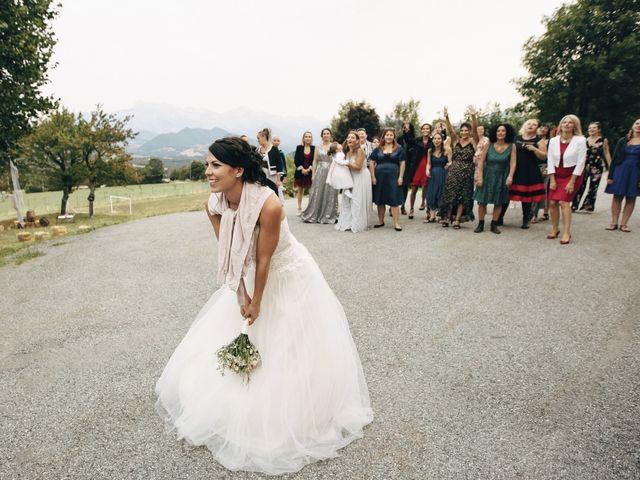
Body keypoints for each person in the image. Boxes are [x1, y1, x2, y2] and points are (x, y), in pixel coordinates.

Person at [155, 137, 373, 475]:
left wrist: (256, 302)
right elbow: (228, 250)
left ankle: (299, 407)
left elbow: (265, 257)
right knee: (239, 333)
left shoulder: (269, 205)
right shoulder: (214, 204)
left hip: (287, 273)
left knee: (289, 341)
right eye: (208, 164)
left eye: (216, 165)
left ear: (238, 170)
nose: (208, 171)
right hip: (248, 271)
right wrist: (241, 294)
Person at [546, 114, 587, 244]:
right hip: (556, 174)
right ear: (560, 125)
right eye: (564, 122)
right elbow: (550, 160)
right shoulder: (553, 141)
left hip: (573, 174)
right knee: (552, 202)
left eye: (570, 122)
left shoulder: (580, 140)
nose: (567, 124)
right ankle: (555, 228)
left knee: (564, 202)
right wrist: (552, 179)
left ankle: (566, 232)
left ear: (575, 126)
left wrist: (572, 182)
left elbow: (581, 162)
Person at [439, 106, 479, 229]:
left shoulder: (473, 141)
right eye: (462, 130)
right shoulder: (456, 141)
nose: (464, 132)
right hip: (454, 171)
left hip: (467, 171)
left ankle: (457, 220)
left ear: (470, 131)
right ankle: (447, 218)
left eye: (466, 130)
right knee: (451, 195)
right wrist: (446, 117)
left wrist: (473, 116)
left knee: (463, 196)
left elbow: (476, 131)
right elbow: (450, 130)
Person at [473, 124, 517, 234]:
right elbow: (481, 161)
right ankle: (481, 224)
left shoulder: (512, 146)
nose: (501, 133)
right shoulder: (489, 144)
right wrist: (480, 176)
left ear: (507, 133)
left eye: (503, 131)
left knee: (499, 202)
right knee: (482, 201)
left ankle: (494, 224)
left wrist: (510, 176)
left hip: (502, 176)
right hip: (487, 175)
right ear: (495, 133)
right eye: (498, 131)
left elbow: (513, 163)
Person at [504, 119, 548, 229]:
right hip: (515, 169)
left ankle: (526, 220)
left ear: (537, 128)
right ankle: (499, 217)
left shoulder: (539, 141)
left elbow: (544, 156)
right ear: (525, 125)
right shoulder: (516, 139)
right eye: (529, 124)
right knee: (507, 194)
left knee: (527, 197)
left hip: (530, 171)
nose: (531, 126)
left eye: (534, 125)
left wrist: (534, 149)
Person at [605, 118, 640, 232]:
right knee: (617, 196)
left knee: (631, 197)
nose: (639, 125)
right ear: (633, 125)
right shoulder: (622, 141)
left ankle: (624, 224)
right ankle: (614, 222)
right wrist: (610, 175)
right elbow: (614, 159)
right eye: (637, 123)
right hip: (620, 171)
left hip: (636, 172)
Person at [335, 130, 373, 233]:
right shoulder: (347, 152)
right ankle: (347, 222)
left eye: (352, 138)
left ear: (357, 141)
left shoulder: (360, 151)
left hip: (360, 176)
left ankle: (357, 223)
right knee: (347, 199)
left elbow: (358, 167)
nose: (349, 139)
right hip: (350, 176)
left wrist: (346, 163)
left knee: (357, 199)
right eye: (348, 137)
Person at [370, 127, 406, 231]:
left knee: (394, 199)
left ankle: (396, 223)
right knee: (380, 200)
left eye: (391, 135)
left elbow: (402, 163)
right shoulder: (378, 149)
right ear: (384, 136)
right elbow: (372, 162)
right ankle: (381, 221)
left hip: (393, 177)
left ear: (394, 136)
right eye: (387, 135)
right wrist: (373, 176)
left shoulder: (399, 148)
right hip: (379, 177)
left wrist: (401, 177)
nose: (389, 137)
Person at [301, 128, 339, 224]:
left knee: (330, 192)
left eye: (327, 133)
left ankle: (328, 215)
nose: (326, 135)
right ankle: (315, 214)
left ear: (330, 135)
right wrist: (313, 174)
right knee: (317, 192)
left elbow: (338, 159)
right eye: (324, 133)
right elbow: (314, 161)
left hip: (331, 171)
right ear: (322, 136)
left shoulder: (334, 146)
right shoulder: (318, 146)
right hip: (320, 171)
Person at [572, 122, 612, 212]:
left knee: (593, 186)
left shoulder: (603, 140)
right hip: (584, 165)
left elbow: (606, 153)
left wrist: (611, 167)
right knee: (580, 185)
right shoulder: (584, 140)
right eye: (590, 128)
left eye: (594, 128)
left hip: (597, 165)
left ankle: (588, 206)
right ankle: (574, 205)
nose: (591, 129)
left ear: (598, 129)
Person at [407, 123, 433, 218]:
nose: (425, 130)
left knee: (426, 188)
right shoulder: (417, 140)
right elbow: (408, 140)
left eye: (427, 128)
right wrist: (407, 130)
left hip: (428, 166)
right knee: (413, 189)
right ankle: (411, 209)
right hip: (417, 166)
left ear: (430, 130)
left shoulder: (432, 141)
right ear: (421, 130)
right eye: (424, 128)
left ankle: (427, 209)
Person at [424, 132, 451, 223]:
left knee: (441, 193)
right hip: (433, 174)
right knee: (431, 193)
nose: (436, 140)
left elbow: (451, 162)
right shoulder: (430, 150)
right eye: (435, 138)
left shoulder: (447, 150)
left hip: (443, 174)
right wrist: (427, 170)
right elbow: (428, 163)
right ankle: (432, 216)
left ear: (442, 140)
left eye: (439, 138)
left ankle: (442, 216)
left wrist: (449, 165)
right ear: (433, 140)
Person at [256, 128, 284, 203]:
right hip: (260, 176)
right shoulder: (258, 150)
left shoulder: (274, 149)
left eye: (259, 138)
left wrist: (278, 180)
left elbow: (279, 165)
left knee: (272, 192)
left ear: (264, 137)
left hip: (271, 176)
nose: (258, 140)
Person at [532, 124, 552, 223]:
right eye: (541, 127)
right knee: (535, 190)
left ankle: (545, 213)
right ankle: (533, 214)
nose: (543, 129)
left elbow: (552, 156)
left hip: (545, 166)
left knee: (545, 191)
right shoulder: (533, 140)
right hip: (534, 166)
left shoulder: (550, 142)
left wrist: (548, 168)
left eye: (545, 128)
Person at [293, 131, 315, 215]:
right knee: (300, 191)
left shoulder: (314, 148)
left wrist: (309, 169)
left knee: (311, 191)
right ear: (303, 138)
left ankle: (311, 209)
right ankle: (299, 208)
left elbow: (314, 160)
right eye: (306, 136)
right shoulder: (299, 147)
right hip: (300, 172)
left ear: (311, 138)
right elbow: (296, 160)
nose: (307, 138)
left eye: (309, 136)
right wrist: (302, 169)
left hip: (310, 172)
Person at [398, 122, 416, 215]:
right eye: (404, 127)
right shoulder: (399, 139)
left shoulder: (414, 140)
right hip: (399, 165)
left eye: (408, 127)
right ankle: (395, 205)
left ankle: (403, 206)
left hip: (409, 166)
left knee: (405, 186)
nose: (406, 128)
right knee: (397, 186)